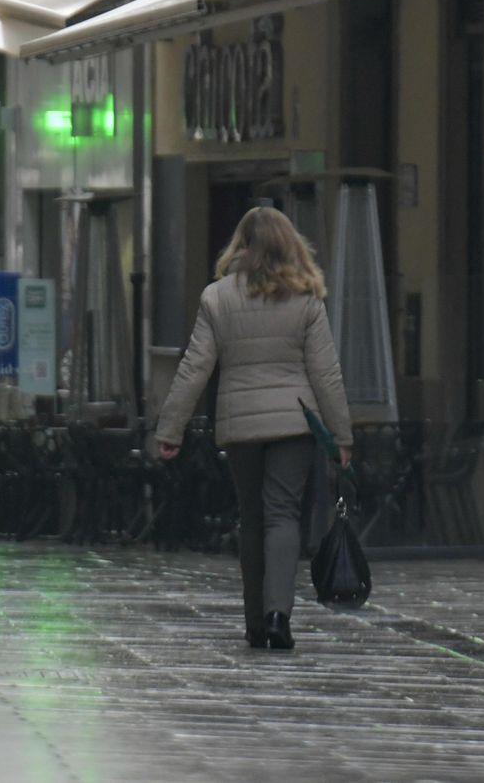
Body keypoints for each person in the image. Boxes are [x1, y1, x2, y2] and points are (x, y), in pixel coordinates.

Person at [152, 206, 352, 651]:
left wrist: (171, 430)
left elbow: (194, 368)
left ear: (240, 245)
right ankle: (278, 615)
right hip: (293, 423)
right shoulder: (306, 299)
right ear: (290, 244)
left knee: (253, 518)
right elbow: (326, 373)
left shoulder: (217, 297)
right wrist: (341, 435)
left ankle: (254, 622)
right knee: (283, 514)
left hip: (240, 426)